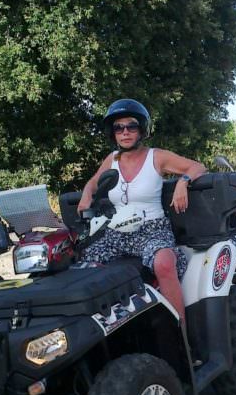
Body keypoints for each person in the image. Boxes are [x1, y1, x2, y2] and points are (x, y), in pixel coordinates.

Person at [77, 98, 206, 322]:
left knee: (164, 262)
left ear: (142, 130)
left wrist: (183, 182)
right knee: (82, 266)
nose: (125, 132)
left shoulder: (156, 156)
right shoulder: (112, 160)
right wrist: (86, 196)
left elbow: (197, 166)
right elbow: (93, 182)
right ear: (113, 133)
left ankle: (180, 331)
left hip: (152, 229)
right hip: (116, 232)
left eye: (131, 126)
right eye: (119, 127)